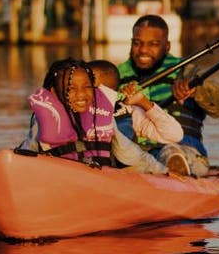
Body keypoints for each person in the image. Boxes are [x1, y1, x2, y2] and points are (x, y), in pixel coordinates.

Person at [116, 15, 219, 176]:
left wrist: (197, 91)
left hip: (184, 151)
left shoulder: (186, 71)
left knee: (171, 152)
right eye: (137, 43)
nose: (143, 50)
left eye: (153, 44)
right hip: (136, 153)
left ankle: (174, 169)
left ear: (167, 46)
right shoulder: (115, 76)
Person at [19, 58, 172, 176]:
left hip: (100, 179)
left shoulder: (102, 116)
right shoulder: (44, 119)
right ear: (54, 92)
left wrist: (161, 170)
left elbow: (129, 152)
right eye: (71, 88)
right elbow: (28, 153)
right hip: (60, 179)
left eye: (87, 87)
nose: (81, 94)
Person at [88, 59, 195, 177]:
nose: (79, 93)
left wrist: (143, 102)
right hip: (85, 169)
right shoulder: (73, 109)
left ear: (111, 92)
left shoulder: (127, 111)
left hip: (122, 172)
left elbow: (175, 134)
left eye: (87, 87)